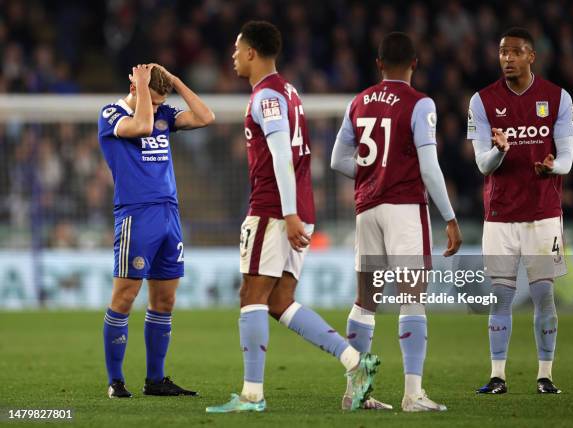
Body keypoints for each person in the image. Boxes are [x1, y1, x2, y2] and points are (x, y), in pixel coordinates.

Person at [206, 20, 379, 413]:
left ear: (251, 52)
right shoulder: (289, 91)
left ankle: (252, 395)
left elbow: (283, 153)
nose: (233, 56)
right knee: (280, 300)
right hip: (297, 207)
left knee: (251, 295)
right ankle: (355, 361)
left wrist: (287, 213)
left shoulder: (267, 96)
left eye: (237, 49)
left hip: (274, 209)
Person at [331, 32, 462, 412]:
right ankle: (413, 394)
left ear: (378, 63)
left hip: (367, 208)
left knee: (365, 302)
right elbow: (429, 166)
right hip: (404, 207)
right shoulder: (420, 104)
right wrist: (450, 217)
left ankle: (356, 392)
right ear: (415, 64)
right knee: (412, 300)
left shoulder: (358, 102)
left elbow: (338, 161)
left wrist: (373, 174)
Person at [467, 27, 573, 394]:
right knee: (500, 296)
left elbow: (567, 158)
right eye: (502, 52)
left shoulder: (558, 99)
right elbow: (483, 164)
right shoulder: (482, 101)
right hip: (499, 216)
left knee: (544, 294)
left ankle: (545, 375)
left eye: (515, 52)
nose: (507, 58)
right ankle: (498, 376)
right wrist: (500, 150)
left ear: (532, 56)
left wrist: (552, 168)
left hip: (543, 214)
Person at [98, 63, 215, 398]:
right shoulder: (110, 114)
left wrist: (176, 81)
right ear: (135, 86)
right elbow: (143, 124)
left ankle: (155, 379)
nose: (160, 105)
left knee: (165, 299)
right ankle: (116, 380)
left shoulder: (163, 111)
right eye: (154, 97)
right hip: (136, 216)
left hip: (169, 215)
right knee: (125, 296)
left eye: (163, 100)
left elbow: (206, 117)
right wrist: (145, 85)